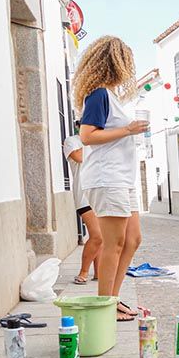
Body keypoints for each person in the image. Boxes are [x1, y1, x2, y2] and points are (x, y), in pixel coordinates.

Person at [72, 36, 148, 322]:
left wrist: (129, 130)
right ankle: (106, 306)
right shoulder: (98, 94)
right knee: (113, 243)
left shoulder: (111, 96)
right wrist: (128, 130)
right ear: (115, 62)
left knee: (132, 239)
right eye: (126, 61)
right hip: (107, 177)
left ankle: (113, 300)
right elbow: (87, 135)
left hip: (122, 178)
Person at [63, 121, 102, 285]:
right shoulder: (72, 141)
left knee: (102, 238)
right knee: (97, 235)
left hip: (100, 193)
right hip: (84, 195)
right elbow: (78, 157)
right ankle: (83, 272)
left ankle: (99, 273)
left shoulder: (99, 143)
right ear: (79, 126)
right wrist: (93, 142)